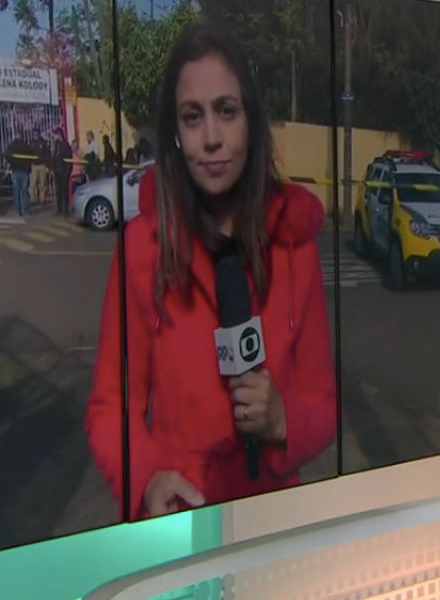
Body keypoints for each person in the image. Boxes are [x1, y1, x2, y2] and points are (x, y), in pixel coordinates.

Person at [85, 23, 337, 521]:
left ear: (251, 120)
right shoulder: (141, 250)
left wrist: (284, 420)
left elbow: (322, 405)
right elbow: (109, 409)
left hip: (272, 522)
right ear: (174, 134)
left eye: (227, 110)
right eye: (192, 117)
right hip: (181, 520)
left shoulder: (295, 246)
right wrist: (146, 480)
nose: (213, 138)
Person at [6, 132, 34, 217]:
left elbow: (7, 156)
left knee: (17, 190)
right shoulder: (26, 146)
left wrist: (11, 164)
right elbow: (30, 157)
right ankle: (26, 209)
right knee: (24, 190)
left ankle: (18, 210)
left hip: (15, 169)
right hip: (24, 170)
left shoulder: (11, 146)